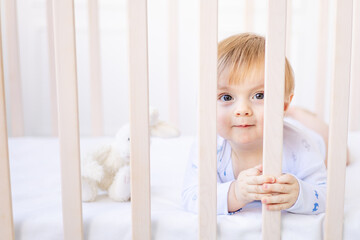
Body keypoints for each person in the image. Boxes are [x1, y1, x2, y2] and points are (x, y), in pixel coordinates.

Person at [182, 33, 327, 215]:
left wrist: (300, 194)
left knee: (338, 152)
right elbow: (191, 196)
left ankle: (297, 113)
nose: (242, 110)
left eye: (259, 95)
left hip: (317, 142)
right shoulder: (208, 146)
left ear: (282, 104)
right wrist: (234, 193)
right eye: (226, 97)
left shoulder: (301, 145)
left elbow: (326, 194)